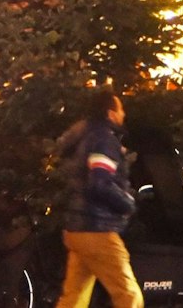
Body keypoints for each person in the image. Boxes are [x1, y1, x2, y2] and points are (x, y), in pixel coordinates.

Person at [56, 88, 142, 308]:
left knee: (74, 299)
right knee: (129, 296)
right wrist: (128, 202)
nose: (123, 114)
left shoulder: (83, 136)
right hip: (98, 230)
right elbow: (100, 184)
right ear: (110, 113)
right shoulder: (104, 140)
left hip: (77, 229)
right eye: (120, 108)